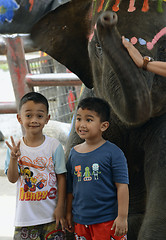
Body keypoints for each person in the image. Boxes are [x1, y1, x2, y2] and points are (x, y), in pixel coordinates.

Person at [4, 92, 67, 240]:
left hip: (52, 216)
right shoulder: (14, 147)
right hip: (25, 218)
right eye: (28, 115)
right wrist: (13, 158)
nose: (34, 120)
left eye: (39, 116)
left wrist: (60, 207)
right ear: (19, 118)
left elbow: (62, 178)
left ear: (47, 119)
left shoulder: (54, 146)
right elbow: (12, 179)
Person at [66, 97, 129, 240]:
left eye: (88, 120)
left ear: (104, 126)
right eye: (78, 119)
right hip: (81, 221)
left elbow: (122, 186)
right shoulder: (73, 153)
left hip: (108, 221)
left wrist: (122, 217)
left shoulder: (114, 153)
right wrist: (69, 213)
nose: (82, 124)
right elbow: (70, 189)